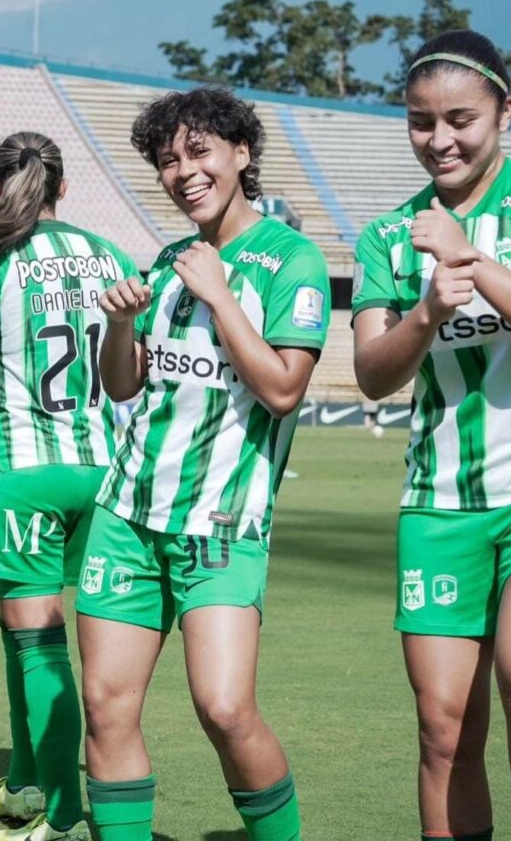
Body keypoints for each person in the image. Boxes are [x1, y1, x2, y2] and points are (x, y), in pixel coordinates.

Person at [75, 87, 331, 841]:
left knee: (224, 707)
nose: (182, 171)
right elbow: (122, 383)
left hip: (221, 525)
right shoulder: (169, 261)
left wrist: (221, 297)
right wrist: (120, 325)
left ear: (241, 153)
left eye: (198, 152)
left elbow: (284, 389)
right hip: (128, 516)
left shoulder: (293, 260)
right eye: (167, 160)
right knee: (106, 708)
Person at [352, 29, 511, 841]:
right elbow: (372, 371)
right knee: (443, 730)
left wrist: (473, 261)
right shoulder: (387, 236)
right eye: (419, 121)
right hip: (438, 507)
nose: (439, 139)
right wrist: (429, 309)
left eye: (460, 119)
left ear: (505, 111)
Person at [0, 131, 139, 841]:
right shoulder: (109, 254)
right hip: (104, 472)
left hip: (23, 473)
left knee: (36, 642)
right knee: (33, 636)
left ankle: (60, 817)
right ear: (64, 188)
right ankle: (28, 782)